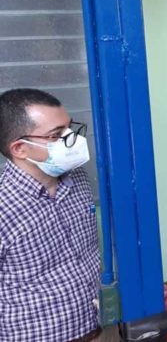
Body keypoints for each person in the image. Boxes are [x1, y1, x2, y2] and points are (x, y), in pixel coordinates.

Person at [0, 88, 100, 341]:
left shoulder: (76, 177)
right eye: (56, 135)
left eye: (69, 128)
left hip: (97, 327)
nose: (72, 139)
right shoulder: (4, 207)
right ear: (20, 148)